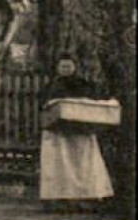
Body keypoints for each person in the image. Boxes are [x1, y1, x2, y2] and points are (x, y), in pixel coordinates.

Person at [39, 52, 115, 208]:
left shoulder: (84, 85)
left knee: (83, 164)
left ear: (74, 67)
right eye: (62, 66)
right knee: (59, 164)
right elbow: (44, 107)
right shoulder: (50, 86)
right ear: (57, 68)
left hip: (81, 131)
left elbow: (92, 104)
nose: (66, 69)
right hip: (58, 133)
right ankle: (59, 198)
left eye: (69, 66)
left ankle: (87, 197)